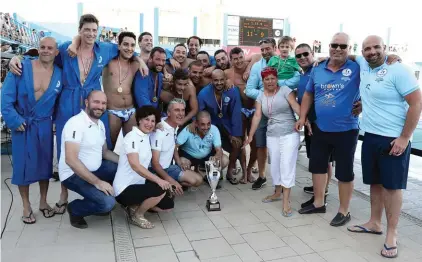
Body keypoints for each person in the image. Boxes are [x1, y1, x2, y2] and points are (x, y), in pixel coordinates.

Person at [8, 14, 148, 214]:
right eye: (87, 30)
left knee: (100, 145)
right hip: (68, 101)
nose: (91, 34)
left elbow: (126, 49)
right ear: (80, 31)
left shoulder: (104, 49)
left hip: (92, 102)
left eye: (94, 30)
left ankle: (102, 190)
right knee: (67, 149)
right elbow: (42, 55)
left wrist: (140, 61)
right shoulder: (66, 49)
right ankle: (64, 194)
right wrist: (18, 58)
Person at [346, 35, 421, 258]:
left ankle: (392, 234)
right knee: (375, 183)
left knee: (392, 187)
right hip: (370, 136)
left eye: (376, 47)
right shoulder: (363, 63)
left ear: (385, 48)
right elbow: (349, 55)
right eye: (367, 48)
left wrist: (405, 138)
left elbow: (416, 103)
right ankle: (374, 222)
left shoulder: (399, 70)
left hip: (393, 139)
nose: (372, 52)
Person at [296, 32, 360, 227]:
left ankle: (344, 210)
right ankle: (318, 203)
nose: (337, 49)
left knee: (344, 172)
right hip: (320, 128)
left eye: (343, 46)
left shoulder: (357, 67)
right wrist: (302, 117)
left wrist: (364, 104)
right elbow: (308, 94)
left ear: (349, 49)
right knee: (317, 166)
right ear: (329, 46)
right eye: (334, 45)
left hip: (347, 129)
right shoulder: (318, 68)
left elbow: (372, 86)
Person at [1, 37, 62, 224]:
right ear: (38, 49)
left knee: (44, 165)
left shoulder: (60, 73)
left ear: (56, 52)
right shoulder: (21, 67)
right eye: (42, 47)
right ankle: (26, 205)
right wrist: (13, 119)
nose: (45, 50)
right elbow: (5, 97)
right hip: (23, 124)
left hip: (44, 124)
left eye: (50, 48)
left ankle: (43, 202)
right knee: (22, 166)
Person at [244, 67, 301, 216]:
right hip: (272, 134)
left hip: (289, 133)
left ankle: (286, 201)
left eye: (272, 78)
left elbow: (296, 107)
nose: (270, 81)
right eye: (266, 79)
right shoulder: (261, 96)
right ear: (262, 81)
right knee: (275, 165)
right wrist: (250, 135)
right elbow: (257, 116)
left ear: (277, 79)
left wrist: (303, 120)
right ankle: (277, 192)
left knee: (286, 164)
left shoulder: (285, 90)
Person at [59, 90, 119, 229]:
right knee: (107, 204)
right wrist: (98, 183)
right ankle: (75, 209)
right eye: (96, 102)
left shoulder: (100, 124)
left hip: (95, 169)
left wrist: (126, 162)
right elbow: (71, 160)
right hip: (73, 174)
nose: (100, 106)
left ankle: (96, 199)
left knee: (120, 168)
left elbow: (105, 152)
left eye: (103, 103)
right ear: (87, 103)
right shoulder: (75, 123)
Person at [113, 106, 174, 229]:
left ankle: (134, 205)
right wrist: (158, 180)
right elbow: (135, 165)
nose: (150, 123)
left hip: (139, 183)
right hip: (124, 188)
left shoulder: (145, 135)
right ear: (139, 120)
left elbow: (153, 128)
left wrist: (155, 126)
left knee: (168, 205)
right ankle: (137, 215)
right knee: (160, 189)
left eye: (152, 121)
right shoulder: (132, 137)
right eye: (146, 119)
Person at [294, 43, 333, 208]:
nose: (302, 58)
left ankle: (323, 192)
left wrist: (327, 59)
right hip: (309, 123)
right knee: (316, 159)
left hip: (321, 124)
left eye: (305, 54)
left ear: (313, 54)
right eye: (299, 56)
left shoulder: (321, 68)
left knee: (324, 160)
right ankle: (319, 187)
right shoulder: (302, 75)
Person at [197, 69, 243, 184]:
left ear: (225, 79)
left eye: (221, 80)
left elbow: (236, 113)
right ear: (211, 81)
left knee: (237, 144)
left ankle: (230, 170)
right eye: (216, 80)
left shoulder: (232, 91)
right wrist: (203, 131)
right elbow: (200, 114)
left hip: (227, 124)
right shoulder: (203, 93)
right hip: (211, 125)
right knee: (214, 147)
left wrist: (235, 134)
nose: (219, 83)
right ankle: (214, 173)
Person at [150, 99, 203, 193]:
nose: (181, 114)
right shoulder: (160, 131)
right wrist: (172, 180)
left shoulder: (174, 125)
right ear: (168, 113)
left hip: (169, 167)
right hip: (157, 171)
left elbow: (173, 146)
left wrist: (179, 163)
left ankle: (171, 186)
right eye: (177, 110)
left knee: (198, 180)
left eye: (183, 110)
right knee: (168, 205)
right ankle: (168, 185)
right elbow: (155, 164)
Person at [245, 37, 277, 190]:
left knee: (280, 145)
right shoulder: (257, 66)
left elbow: (294, 82)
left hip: (281, 111)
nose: (264, 52)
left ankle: (281, 178)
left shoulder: (284, 64)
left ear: (275, 48)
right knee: (261, 145)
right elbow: (249, 89)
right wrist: (266, 94)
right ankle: (262, 176)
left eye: (267, 49)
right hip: (262, 109)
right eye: (262, 50)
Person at [224, 47, 258, 183]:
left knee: (255, 144)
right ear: (230, 60)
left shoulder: (253, 67)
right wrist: (227, 81)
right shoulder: (227, 73)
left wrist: (249, 68)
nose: (238, 61)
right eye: (235, 59)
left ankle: (249, 170)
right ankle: (243, 172)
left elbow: (258, 55)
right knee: (241, 143)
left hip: (255, 109)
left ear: (244, 56)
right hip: (240, 111)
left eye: (240, 57)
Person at [103, 31, 139, 149]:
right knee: (109, 147)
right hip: (113, 111)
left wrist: (141, 61)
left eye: (132, 45)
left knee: (132, 148)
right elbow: (95, 46)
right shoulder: (108, 62)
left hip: (131, 111)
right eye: (125, 44)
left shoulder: (135, 64)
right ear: (118, 46)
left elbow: (157, 57)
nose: (129, 48)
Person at [175, 111, 229, 180]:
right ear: (196, 123)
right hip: (189, 157)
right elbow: (174, 147)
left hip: (207, 156)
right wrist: (179, 162)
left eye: (208, 124)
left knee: (225, 160)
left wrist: (216, 157)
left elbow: (219, 150)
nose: (206, 127)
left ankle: (207, 176)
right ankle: (193, 176)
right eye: (202, 124)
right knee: (183, 164)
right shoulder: (188, 129)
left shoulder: (214, 129)